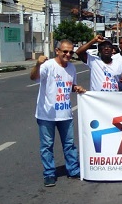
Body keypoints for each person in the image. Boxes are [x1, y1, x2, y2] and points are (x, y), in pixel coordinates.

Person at [30, 39, 86, 187]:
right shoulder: (48, 65)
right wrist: (37, 64)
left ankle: (73, 169)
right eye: (65, 51)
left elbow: (70, 85)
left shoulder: (72, 68)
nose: (68, 54)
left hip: (65, 114)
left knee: (69, 144)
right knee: (47, 145)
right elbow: (34, 77)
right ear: (57, 51)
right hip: (46, 115)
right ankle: (49, 173)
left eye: (70, 52)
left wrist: (76, 88)